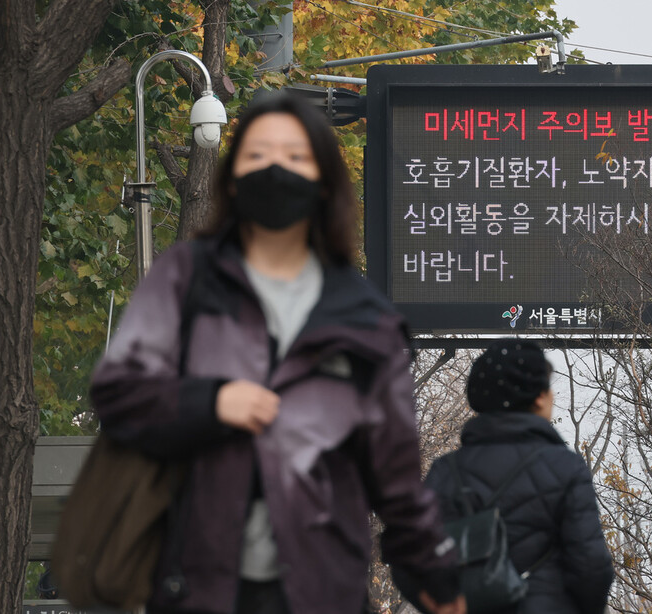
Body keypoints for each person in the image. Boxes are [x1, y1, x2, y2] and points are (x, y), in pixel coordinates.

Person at [90, 90, 464, 614]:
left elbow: (395, 478)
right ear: (232, 177)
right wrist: (211, 402)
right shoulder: (184, 278)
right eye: (258, 156)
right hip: (196, 586)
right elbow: (118, 393)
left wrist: (439, 580)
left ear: (324, 180)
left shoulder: (367, 317)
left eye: (295, 158)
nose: (276, 172)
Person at [424, 339, 615, 614]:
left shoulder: (445, 470)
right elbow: (592, 566)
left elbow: (414, 558)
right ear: (539, 396)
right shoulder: (566, 467)